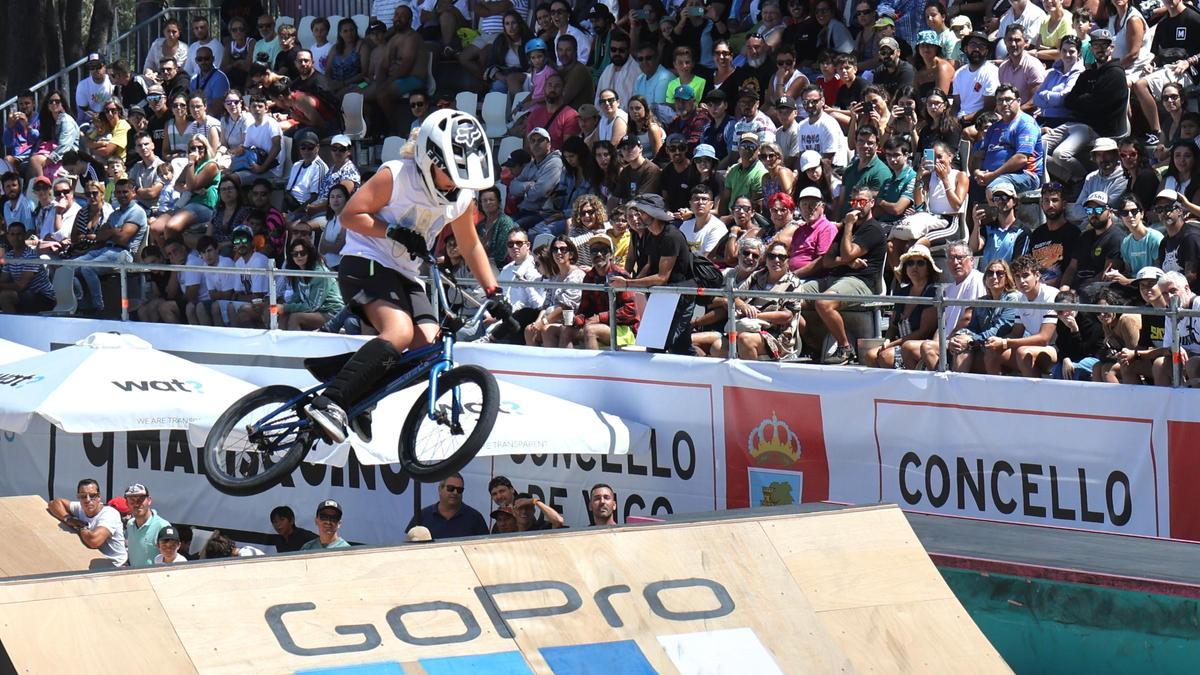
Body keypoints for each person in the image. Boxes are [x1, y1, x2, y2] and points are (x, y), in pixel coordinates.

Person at [303, 110, 502, 443]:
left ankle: (357, 389)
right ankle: (332, 401)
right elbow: (352, 215)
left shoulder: (462, 198)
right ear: (429, 159)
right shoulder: (397, 175)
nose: (454, 183)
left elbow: (470, 245)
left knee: (427, 349)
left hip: (406, 274)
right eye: (448, 173)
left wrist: (494, 292)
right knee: (398, 331)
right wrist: (392, 230)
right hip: (365, 260)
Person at [796, 186, 888, 365]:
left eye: (862, 202)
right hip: (834, 278)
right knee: (790, 298)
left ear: (871, 203)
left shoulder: (873, 229)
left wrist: (848, 227)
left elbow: (846, 253)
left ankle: (845, 347)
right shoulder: (845, 228)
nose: (857, 206)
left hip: (860, 281)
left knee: (824, 302)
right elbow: (827, 261)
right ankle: (811, 344)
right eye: (854, 202)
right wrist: (846, 261)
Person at [610, 194, 695, 355]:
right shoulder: (652, 235)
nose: (638, 216)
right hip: (662, 295)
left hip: (679, 296)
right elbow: (649, 266)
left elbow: (662, 278)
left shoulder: (671, 236)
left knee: (665, 346)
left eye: (641, 212)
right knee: (670, 347)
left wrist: (628, 284)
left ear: (652, 214)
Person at [926, 257, 1022, 372]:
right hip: (983, 344)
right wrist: (958, 337)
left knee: (965, 348)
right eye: (990, 273)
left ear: (1007, 278)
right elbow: (972, 327)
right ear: (985, 278)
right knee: (933, 346)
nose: (994, 277)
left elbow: (1000, 330)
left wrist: (971, 340)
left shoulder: (1013, 298)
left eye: (1000, 273)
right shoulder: (982, 301)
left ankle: (957, 386)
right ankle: (951, 386)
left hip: (1002, 345)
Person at [73, 179, 147, 314]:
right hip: (105, 249)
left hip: (123, 253)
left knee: (87, 268)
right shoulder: (115, 214)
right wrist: (115, 231)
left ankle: (98, 307)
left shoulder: (137, 212)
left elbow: (123, 238)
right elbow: (100, 235)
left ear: (133, 192)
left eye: (125, 191)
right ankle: (82, 304)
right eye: (118, 192)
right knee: (68, 267)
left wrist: (112, 232)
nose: (121, 195)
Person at [862, 244, 941, 369]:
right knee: (870, 355)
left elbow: (924, 331)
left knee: (886, 356)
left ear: (929, 268)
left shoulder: (933, 291)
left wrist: (892, 344)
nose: (914, 267)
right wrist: (887, 340)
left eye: (920, 263)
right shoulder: (902, 291)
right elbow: (893, 325)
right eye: (910, 263)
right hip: (899, 342)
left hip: (920, 345)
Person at [984, 254, 1059, 377]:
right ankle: (997, 393)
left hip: (1055, 349)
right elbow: (1016, 333)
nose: (1021, 281)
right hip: (1035, 348)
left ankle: (1033, 394)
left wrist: (1004, 343)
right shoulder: (1021, 298)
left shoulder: (1051, 295)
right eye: (1017, 277)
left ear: (1037, 275)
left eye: (1025, 275)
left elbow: (1044, 338)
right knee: (991, 352)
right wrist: (994, 342)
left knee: (1023, 352)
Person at [564, 233, 639, 350]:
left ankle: (594, 368)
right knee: (566, 330)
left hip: (625, 329)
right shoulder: (589, 277)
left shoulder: (620, 275)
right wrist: (577, 319)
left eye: (603, 250)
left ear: (611, 254)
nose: (598, 254)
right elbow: (585, 309)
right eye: (594, 251)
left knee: (590, 330)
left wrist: (600, 318)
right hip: (600, 325)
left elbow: (631, 311)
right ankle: (565, 367)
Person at [48, 478, 128, 566]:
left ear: (99, 497)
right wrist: (68, 519)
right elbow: (53, 503)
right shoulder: (81, 507)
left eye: (92, 495)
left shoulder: (109, 514)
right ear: (78, 497)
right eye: (83, 496)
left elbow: (94, 541)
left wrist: (81, 526)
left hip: (116, 567)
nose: (88, 500)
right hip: (93, 564)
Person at [1060, 191, 1124, 294]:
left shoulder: (1117, 237)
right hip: (1076, 289)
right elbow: (1072, 268)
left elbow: (1107, 273)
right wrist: (1064, 289)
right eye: (1089, 210)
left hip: (1098, 291)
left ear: (1110, 211)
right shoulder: (1084, 236)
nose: (1093, 214)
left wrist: (1079, 291)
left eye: (1098, 210)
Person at [405, 473, 489, 539]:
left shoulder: (475, 517)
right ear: (440, 489)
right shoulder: (423, 515)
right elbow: (409, 544)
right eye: (451, 488)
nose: (455, 492)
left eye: (460, 490)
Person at [1028, 184, 1079, 287]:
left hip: (1060, 290)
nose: (1050, 205)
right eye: (1046, 201)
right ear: (1041, 204)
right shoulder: (1037, 234)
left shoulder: (1074, 233)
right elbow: (1030, 265)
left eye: (1055, 200)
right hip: (1036, 289)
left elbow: (1072, 269)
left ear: (1064, 204)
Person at [0, 221, 56, 315]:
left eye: (19, 234)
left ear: (25, 236)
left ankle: (14, 325)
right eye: (12, 234)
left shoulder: (31, 255)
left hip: (45, 297)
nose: (15, 238)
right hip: (26, 295)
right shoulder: (9, 256)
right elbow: (3, 280)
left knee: (6, 296)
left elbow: (21, 286)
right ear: (8, 236)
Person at [970, 182, 1030, 266]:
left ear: (1015, 201)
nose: (1001, 201)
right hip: (987, 277)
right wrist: (976, 224)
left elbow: (1018, 264)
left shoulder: (1022, 231)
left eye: (1005, 197)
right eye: (997, 198)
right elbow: (974, 248)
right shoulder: (988, 227)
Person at [122, 483, 170, 568]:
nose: (136, 504)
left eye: (140, 499)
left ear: (149, 500)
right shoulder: (130, 524)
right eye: (132, 500)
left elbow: (170, 560)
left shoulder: (163, 526)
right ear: (127, 503)